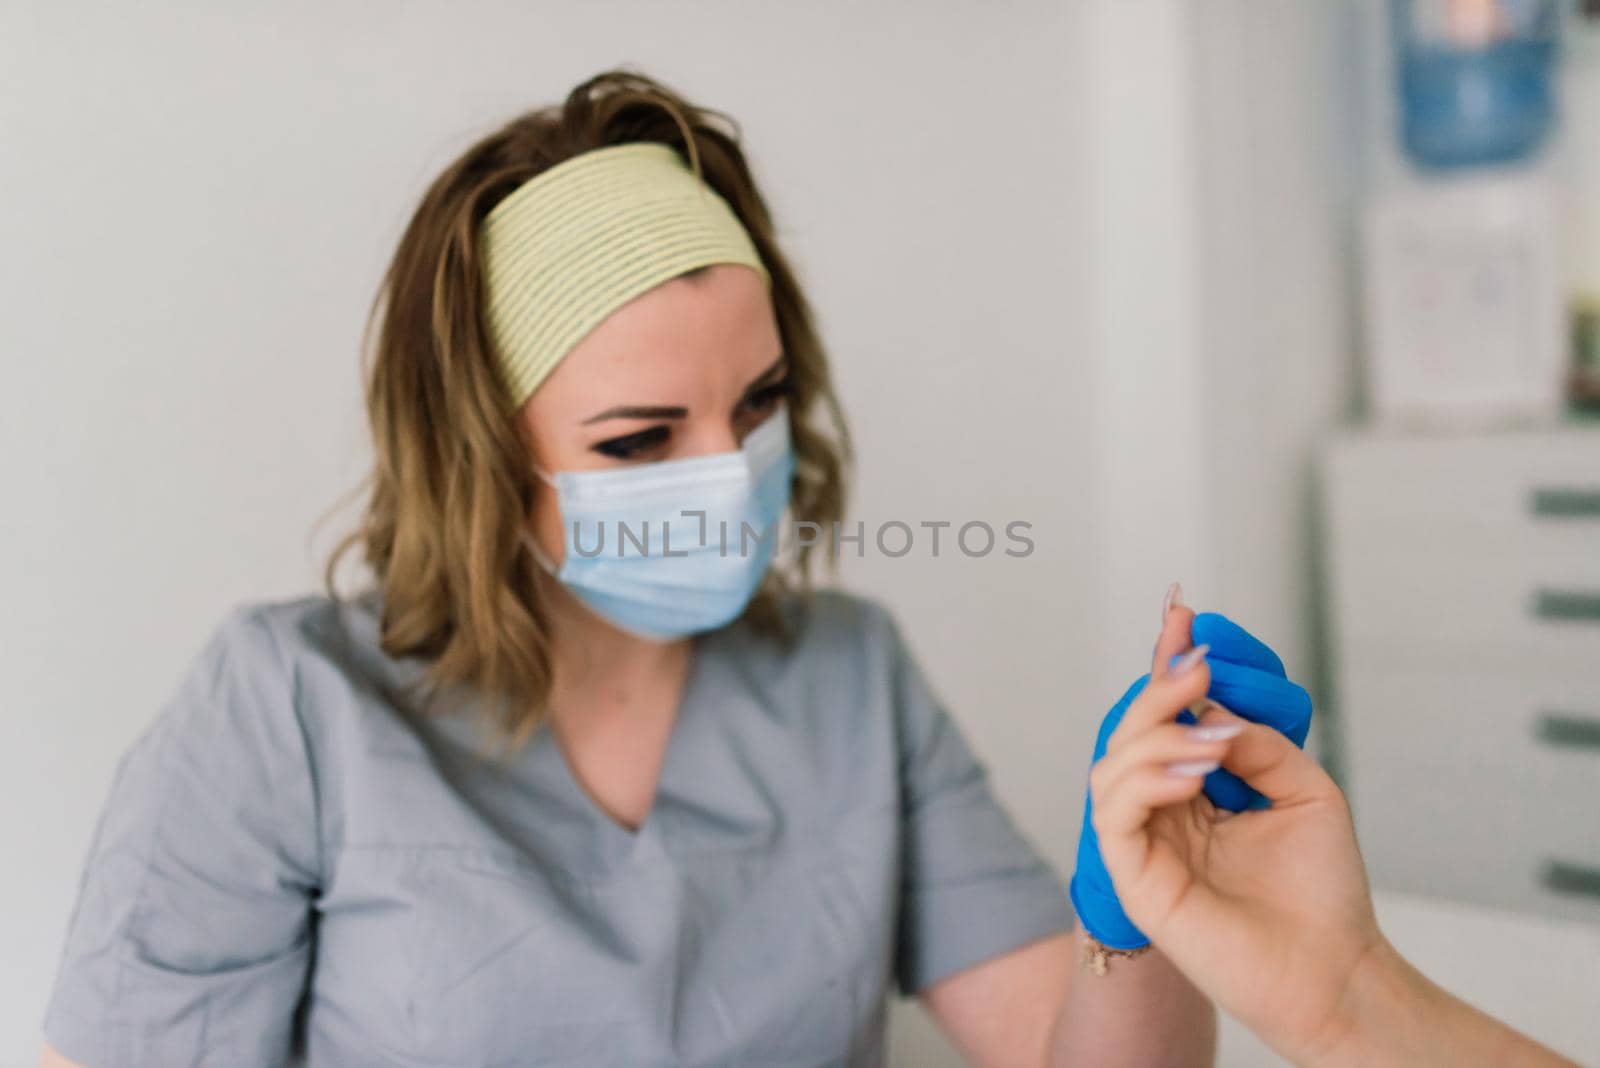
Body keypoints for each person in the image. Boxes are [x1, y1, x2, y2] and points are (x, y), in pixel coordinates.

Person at [34, 67, 1572, 1068]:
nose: (728, 474)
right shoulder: (286, 713)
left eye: (758, 405)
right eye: (642, 439)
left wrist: (1140, 902)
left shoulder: (848, 682)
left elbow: (1079, 1059)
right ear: (480, 460)